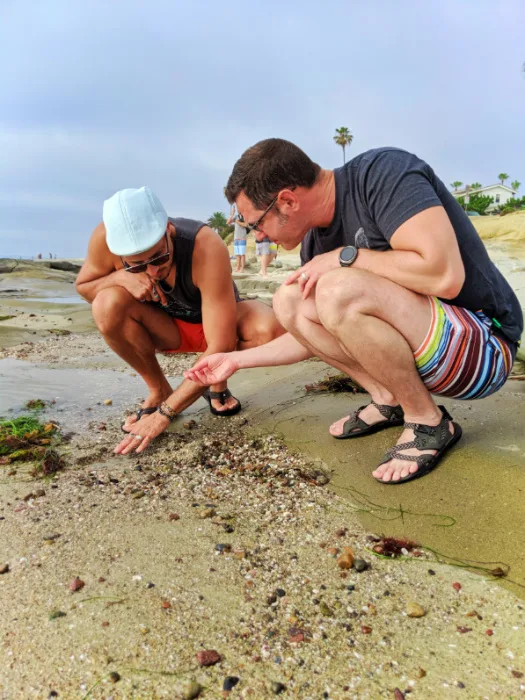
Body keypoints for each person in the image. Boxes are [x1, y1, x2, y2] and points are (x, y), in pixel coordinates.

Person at [185, 139, 523, 485]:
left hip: (484, 346)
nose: (258, 235)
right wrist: (236, 360)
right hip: (428, 348)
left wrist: (345, 257)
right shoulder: (316, 242)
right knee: (290, 300)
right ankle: (389, 399)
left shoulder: (382, 174)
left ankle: (428, 421)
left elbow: (445, 276)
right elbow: (310, 337)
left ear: (287, 200)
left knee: (334, 289)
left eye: (256, 223)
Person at [76, 187, 284, 455]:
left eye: (159, 257)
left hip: (220, 328)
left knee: (269, 330)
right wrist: (118, 277)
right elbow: (85, 287)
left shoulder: (204, 244)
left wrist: (164, 415)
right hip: (166, 328)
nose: (152, 271)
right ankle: (158, 388)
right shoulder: (105, 238)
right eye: (137, 265)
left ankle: (215, 384)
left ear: (168, 230)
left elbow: (219, 343)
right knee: (105, 304)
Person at [227, 205, 248, 272]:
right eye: (238, 209)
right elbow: (227, 222)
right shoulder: (236, 216)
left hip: (242, 237)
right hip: (236, 238)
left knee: (242, 254)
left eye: (239, 208)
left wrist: (237, 222)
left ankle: (242, 268)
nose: (238, 210)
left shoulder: (245, 216)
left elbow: (246, 225)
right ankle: (237, 268)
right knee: (237, 254)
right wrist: (232, 214)